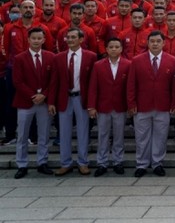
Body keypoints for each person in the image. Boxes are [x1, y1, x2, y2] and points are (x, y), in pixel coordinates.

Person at [127, 30, 175, 177]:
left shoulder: (172, 60)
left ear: (164, 43)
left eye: (158, 41)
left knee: (160, 136)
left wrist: (173, 104)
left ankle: (157, 163)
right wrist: (131, 104)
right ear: (147, 43)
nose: (155, 44)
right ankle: (142, 164)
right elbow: (131, 84)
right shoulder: (137, 60)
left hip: (163, 105)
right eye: (152, 41)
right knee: (141, 137)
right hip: (142, 106)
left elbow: (174, 85)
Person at [48, 27, 98, 176]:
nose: (69, 40)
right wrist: (51, 102)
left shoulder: (91, 56)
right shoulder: (58, 57)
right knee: (64, 132)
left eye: (73, 37)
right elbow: (54, 82)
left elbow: (93, 82)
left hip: (81, 98)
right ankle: (66, 163)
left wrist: (92, 104)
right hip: (65, 98)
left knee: (83, 131)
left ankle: (83, 162)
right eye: (67, 37)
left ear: (81, 39)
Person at [12, 27, 54, 179]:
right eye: (33, 38)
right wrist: (33, 95)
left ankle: (42, 162)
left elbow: (53, 80)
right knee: (22, 135)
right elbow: (17, 81)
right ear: (28, 40)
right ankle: (22, 164)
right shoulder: (20, 58)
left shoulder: (50, 57)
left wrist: (44, 95)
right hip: (25, 102)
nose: (36, 41)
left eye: (39, 38)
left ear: (43, 40)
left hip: (44, 101)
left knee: (44, 134)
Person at [87, 38, 131, 177]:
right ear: (106, 49)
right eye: (111, 46)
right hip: (103, 106)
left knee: (119, 136)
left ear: (121, 49)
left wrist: (130, 106)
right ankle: (102, 162)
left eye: (117, 46)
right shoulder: (98, 65)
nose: (113, 49)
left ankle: (118, 161)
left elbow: (129, 88)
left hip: (120, 106)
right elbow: (93, 87)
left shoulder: (128, 64)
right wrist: (91, 106)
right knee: (103, 135)